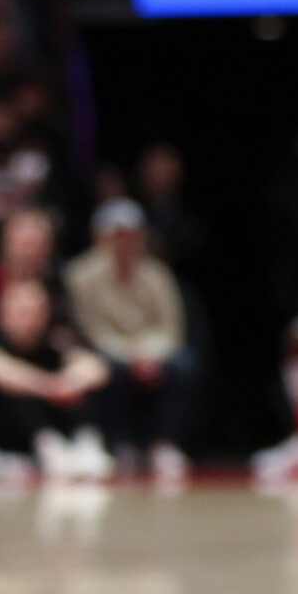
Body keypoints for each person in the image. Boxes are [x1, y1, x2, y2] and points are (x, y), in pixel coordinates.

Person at [63, 197, 194, 477]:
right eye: (116, 236)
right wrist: (131, 355)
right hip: (108, 351)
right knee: (107, 370)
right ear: (101, 237)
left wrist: (148, 353)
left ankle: (164, 444)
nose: (123, 244)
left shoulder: (157, 274)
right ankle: (118, 443)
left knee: (184, 365)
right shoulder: (81, 275)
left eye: (130, 236)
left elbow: (171, 328)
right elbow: (91, 329)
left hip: (151, 352)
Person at [0, 277, 113, 478]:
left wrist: (68, 384)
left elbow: (97, 368)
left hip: (60, 430)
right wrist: (49, 387)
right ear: (3, 313)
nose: (30, 319)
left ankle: (86, 443)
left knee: (82, 392)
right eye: (22, 312)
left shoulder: (54, 344)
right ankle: (50, 448)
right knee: (19, 391)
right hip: (3, 440)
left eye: (36, 311)